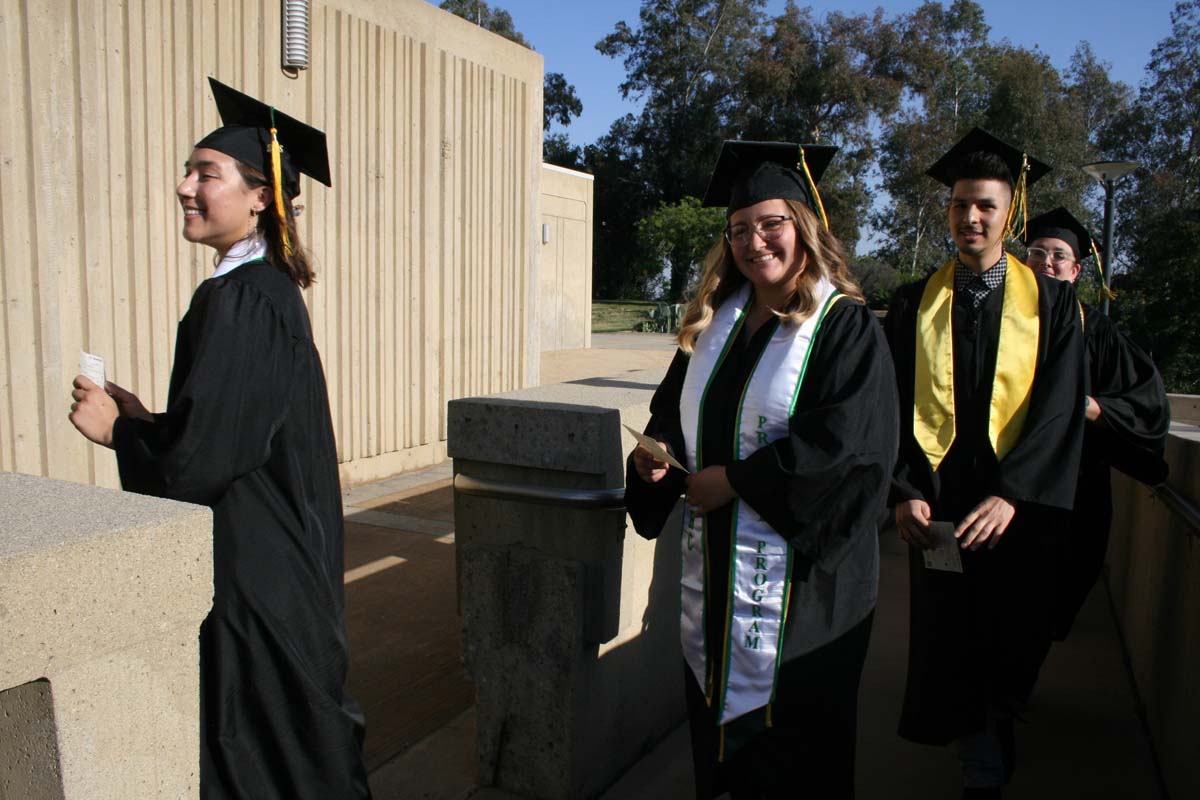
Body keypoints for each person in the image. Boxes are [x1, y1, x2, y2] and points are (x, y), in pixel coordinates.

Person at [68, 78, 371, 799]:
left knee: (269, 758)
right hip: (274, 559)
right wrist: (148, 420)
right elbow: (235, 429)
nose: (184, 187)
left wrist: (120, 435)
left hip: (256, 578)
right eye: (188, 171)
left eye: (205, 173)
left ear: (260, 196)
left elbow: (203, 463)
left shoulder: (244, 298)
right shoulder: (262, 289)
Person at [625, 140, 899, 799]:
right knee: (720, 735)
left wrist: (737, 482)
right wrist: (657, 457)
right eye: (739, 229)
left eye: (771, 223)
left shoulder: (843, 326)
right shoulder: (714, 323)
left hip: (805, 587)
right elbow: (673, 416)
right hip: (719, 568)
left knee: (791, 752)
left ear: (803, 226)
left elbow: (850, 449)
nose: (754, 241)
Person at [885, 128, 1086, 799]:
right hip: (941, 505)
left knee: (1011, 634)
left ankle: (995, 738)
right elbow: (891, 402)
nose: (969, 217)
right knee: (950, 632)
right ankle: (980, 762)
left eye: (985, 206)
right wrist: (904, 488)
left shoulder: (1053, 304)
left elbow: (1060, 408)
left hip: (1016, 511)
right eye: (959, 205)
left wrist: (1013, 493)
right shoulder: (915, 302)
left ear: (1010, 214)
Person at [1022, 207, 1170, 638]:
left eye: (1058, 255)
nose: (1046, 262)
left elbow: (1145, 401)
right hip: (1004, 480)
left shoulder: (1096, 329)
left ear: (1076, 270)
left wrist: (1087, 406)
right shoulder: (1003, 321)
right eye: (1037, 252)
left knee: (1053, 601)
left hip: (1074, 485)